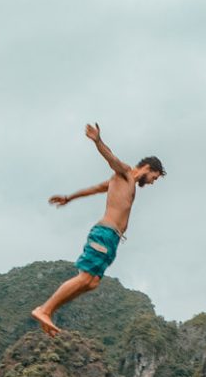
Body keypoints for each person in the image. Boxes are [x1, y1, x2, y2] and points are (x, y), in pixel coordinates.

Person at [31, 123, 166, 336]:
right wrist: (97, 141)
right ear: (149, 168)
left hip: (112, 239)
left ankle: (49, 311)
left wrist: (69, 198)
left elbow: (94, 189)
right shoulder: (125, 174)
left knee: (91, 283)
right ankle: (44, 309)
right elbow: (112, 159)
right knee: (85, 277)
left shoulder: (120, 182)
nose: (152, 183)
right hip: (104, 233)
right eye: (154, 178)